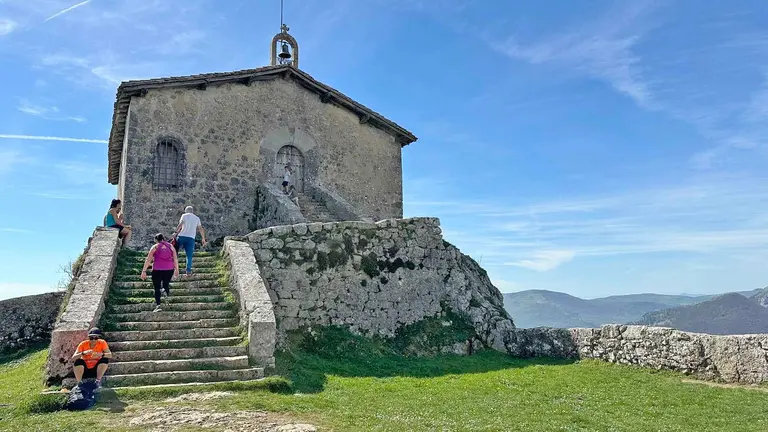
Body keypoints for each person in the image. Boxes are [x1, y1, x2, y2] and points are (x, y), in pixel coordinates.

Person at [140, 233, 180, 312]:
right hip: (169, 269)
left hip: (157, 269)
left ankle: (158, 305)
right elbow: (175, 259)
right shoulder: (171, 246)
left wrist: (144, 271)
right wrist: (177, 269)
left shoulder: (155, 247)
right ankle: (165, 293)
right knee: (166, 284)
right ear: (163, 239)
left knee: (157, 288)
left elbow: (148, 260)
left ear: (156, 240)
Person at [175, 206, 207, 276]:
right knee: (189, 255)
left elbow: (180, 224)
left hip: (181, 236)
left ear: (186, 211)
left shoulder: (184, 216)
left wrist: (175, 232)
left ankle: (174, 268)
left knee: (175, 253)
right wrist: (203, 238)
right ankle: (188, 271)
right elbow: (200, 228)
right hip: (191, 238)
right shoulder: (197, 218)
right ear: (192, 211)